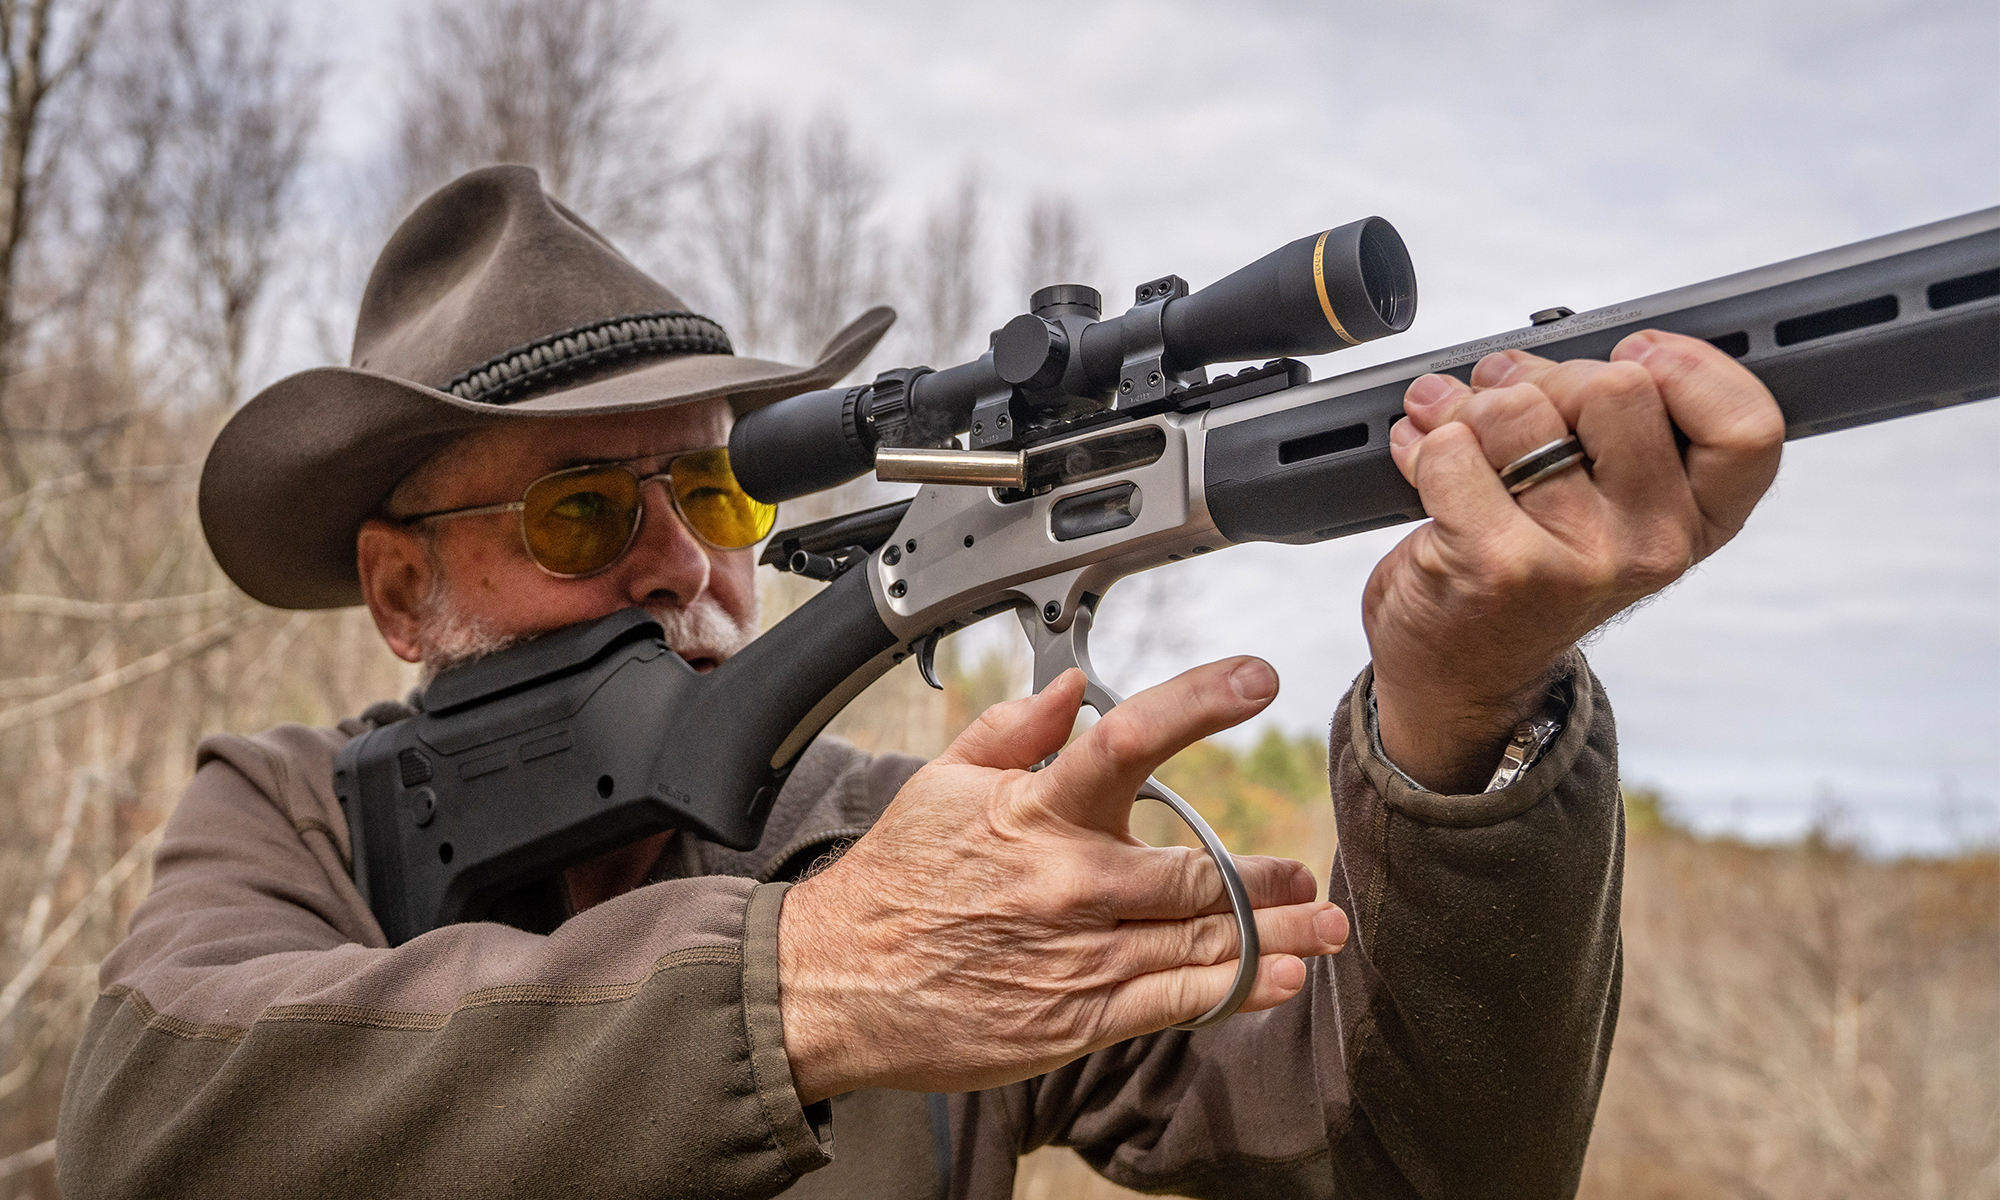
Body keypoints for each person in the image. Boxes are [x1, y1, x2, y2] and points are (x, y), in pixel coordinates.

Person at [56, 166, 1783, 1199]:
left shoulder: (903, 838)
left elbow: (1417, 1166)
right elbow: (155, 1122)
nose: (682, 561)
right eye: (584, 507)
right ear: (396, 586)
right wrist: (818, 980)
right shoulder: (294, 818)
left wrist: (1470, 708)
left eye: (722, 492)